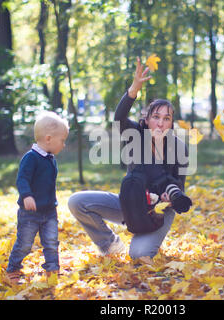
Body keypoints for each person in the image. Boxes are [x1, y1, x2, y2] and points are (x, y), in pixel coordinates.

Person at [68, 58, 190, 263]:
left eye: (166, 118)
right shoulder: (136, 135)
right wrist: (134, 89)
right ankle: (109, 243)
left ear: (171, 122)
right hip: (130, 204)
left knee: (138, 255)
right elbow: (119, 119)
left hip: (157, 213)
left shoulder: (179, 147)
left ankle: (147, 238)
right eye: (156, 117)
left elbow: (179, 188)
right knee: (77, 202)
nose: (160, 123)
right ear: (146, 119)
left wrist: (165, 198)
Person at [6, 111, 69, 283]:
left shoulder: (50, 159)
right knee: (25, 244)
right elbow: (22, 179)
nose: (63, 145)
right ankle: (13, 268)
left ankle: (52, 269)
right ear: (48, 138)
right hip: (30, 212)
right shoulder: (31, 158)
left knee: (51, 241)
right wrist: (27, 195)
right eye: (62, 140)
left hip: (49, 211)